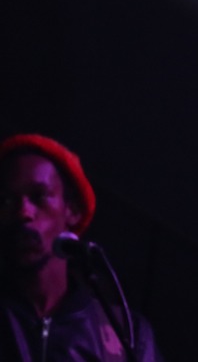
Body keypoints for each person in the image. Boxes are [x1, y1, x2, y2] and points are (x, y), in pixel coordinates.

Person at [0, 133, 164, 362]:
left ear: (73, 210)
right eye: (6, 200)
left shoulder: (126, 333)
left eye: (39, 196)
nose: (23, 212)